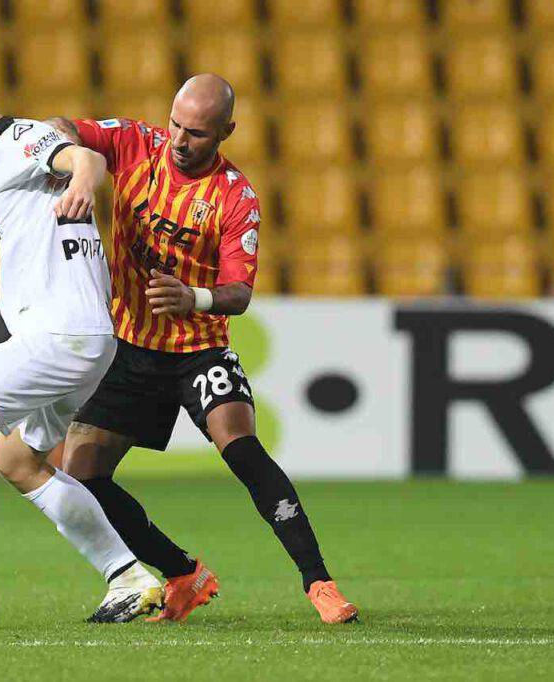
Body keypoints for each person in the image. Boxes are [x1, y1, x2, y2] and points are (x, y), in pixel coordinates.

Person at [48, 74, 359, 624]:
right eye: (175, 124)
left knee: (240, 446)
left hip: (199, 348)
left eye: (196, 132)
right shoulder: (134, 145)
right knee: (81, 477)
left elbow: (239, 294)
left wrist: (191, 296)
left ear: (225, 133)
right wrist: (73, 159)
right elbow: (59, 128)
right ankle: (183, 574)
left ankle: (319, 583)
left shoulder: (236, 197)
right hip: (129, 345)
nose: (180, 140)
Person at [0, 48, 162, 623]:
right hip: (87, 338)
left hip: (60, 335)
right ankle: (128, 579)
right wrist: (73, 179)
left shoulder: (15, 140)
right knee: (17, 458)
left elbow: (87, 159)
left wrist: (80, 177)